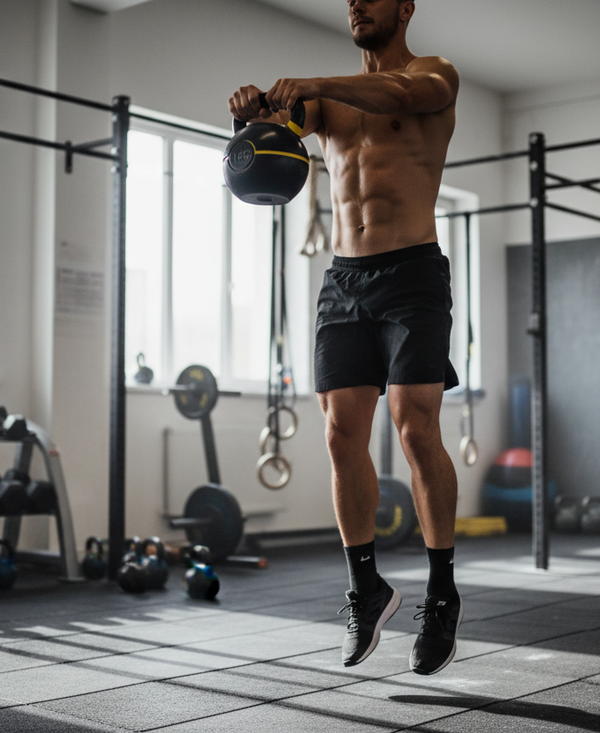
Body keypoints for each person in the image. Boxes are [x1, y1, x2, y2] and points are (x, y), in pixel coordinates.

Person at [228, 0, 462, 675]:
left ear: (406, 6)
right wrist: (252, 111)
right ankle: (367, 587)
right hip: (344, 278)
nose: (357, 4)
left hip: (414, 272)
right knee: (338, 433)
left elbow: (402, 91)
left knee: (415, 426)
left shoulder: (433, 75)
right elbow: (279, 131)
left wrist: (316, 84)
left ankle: (441, 592)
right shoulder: (326, 107)